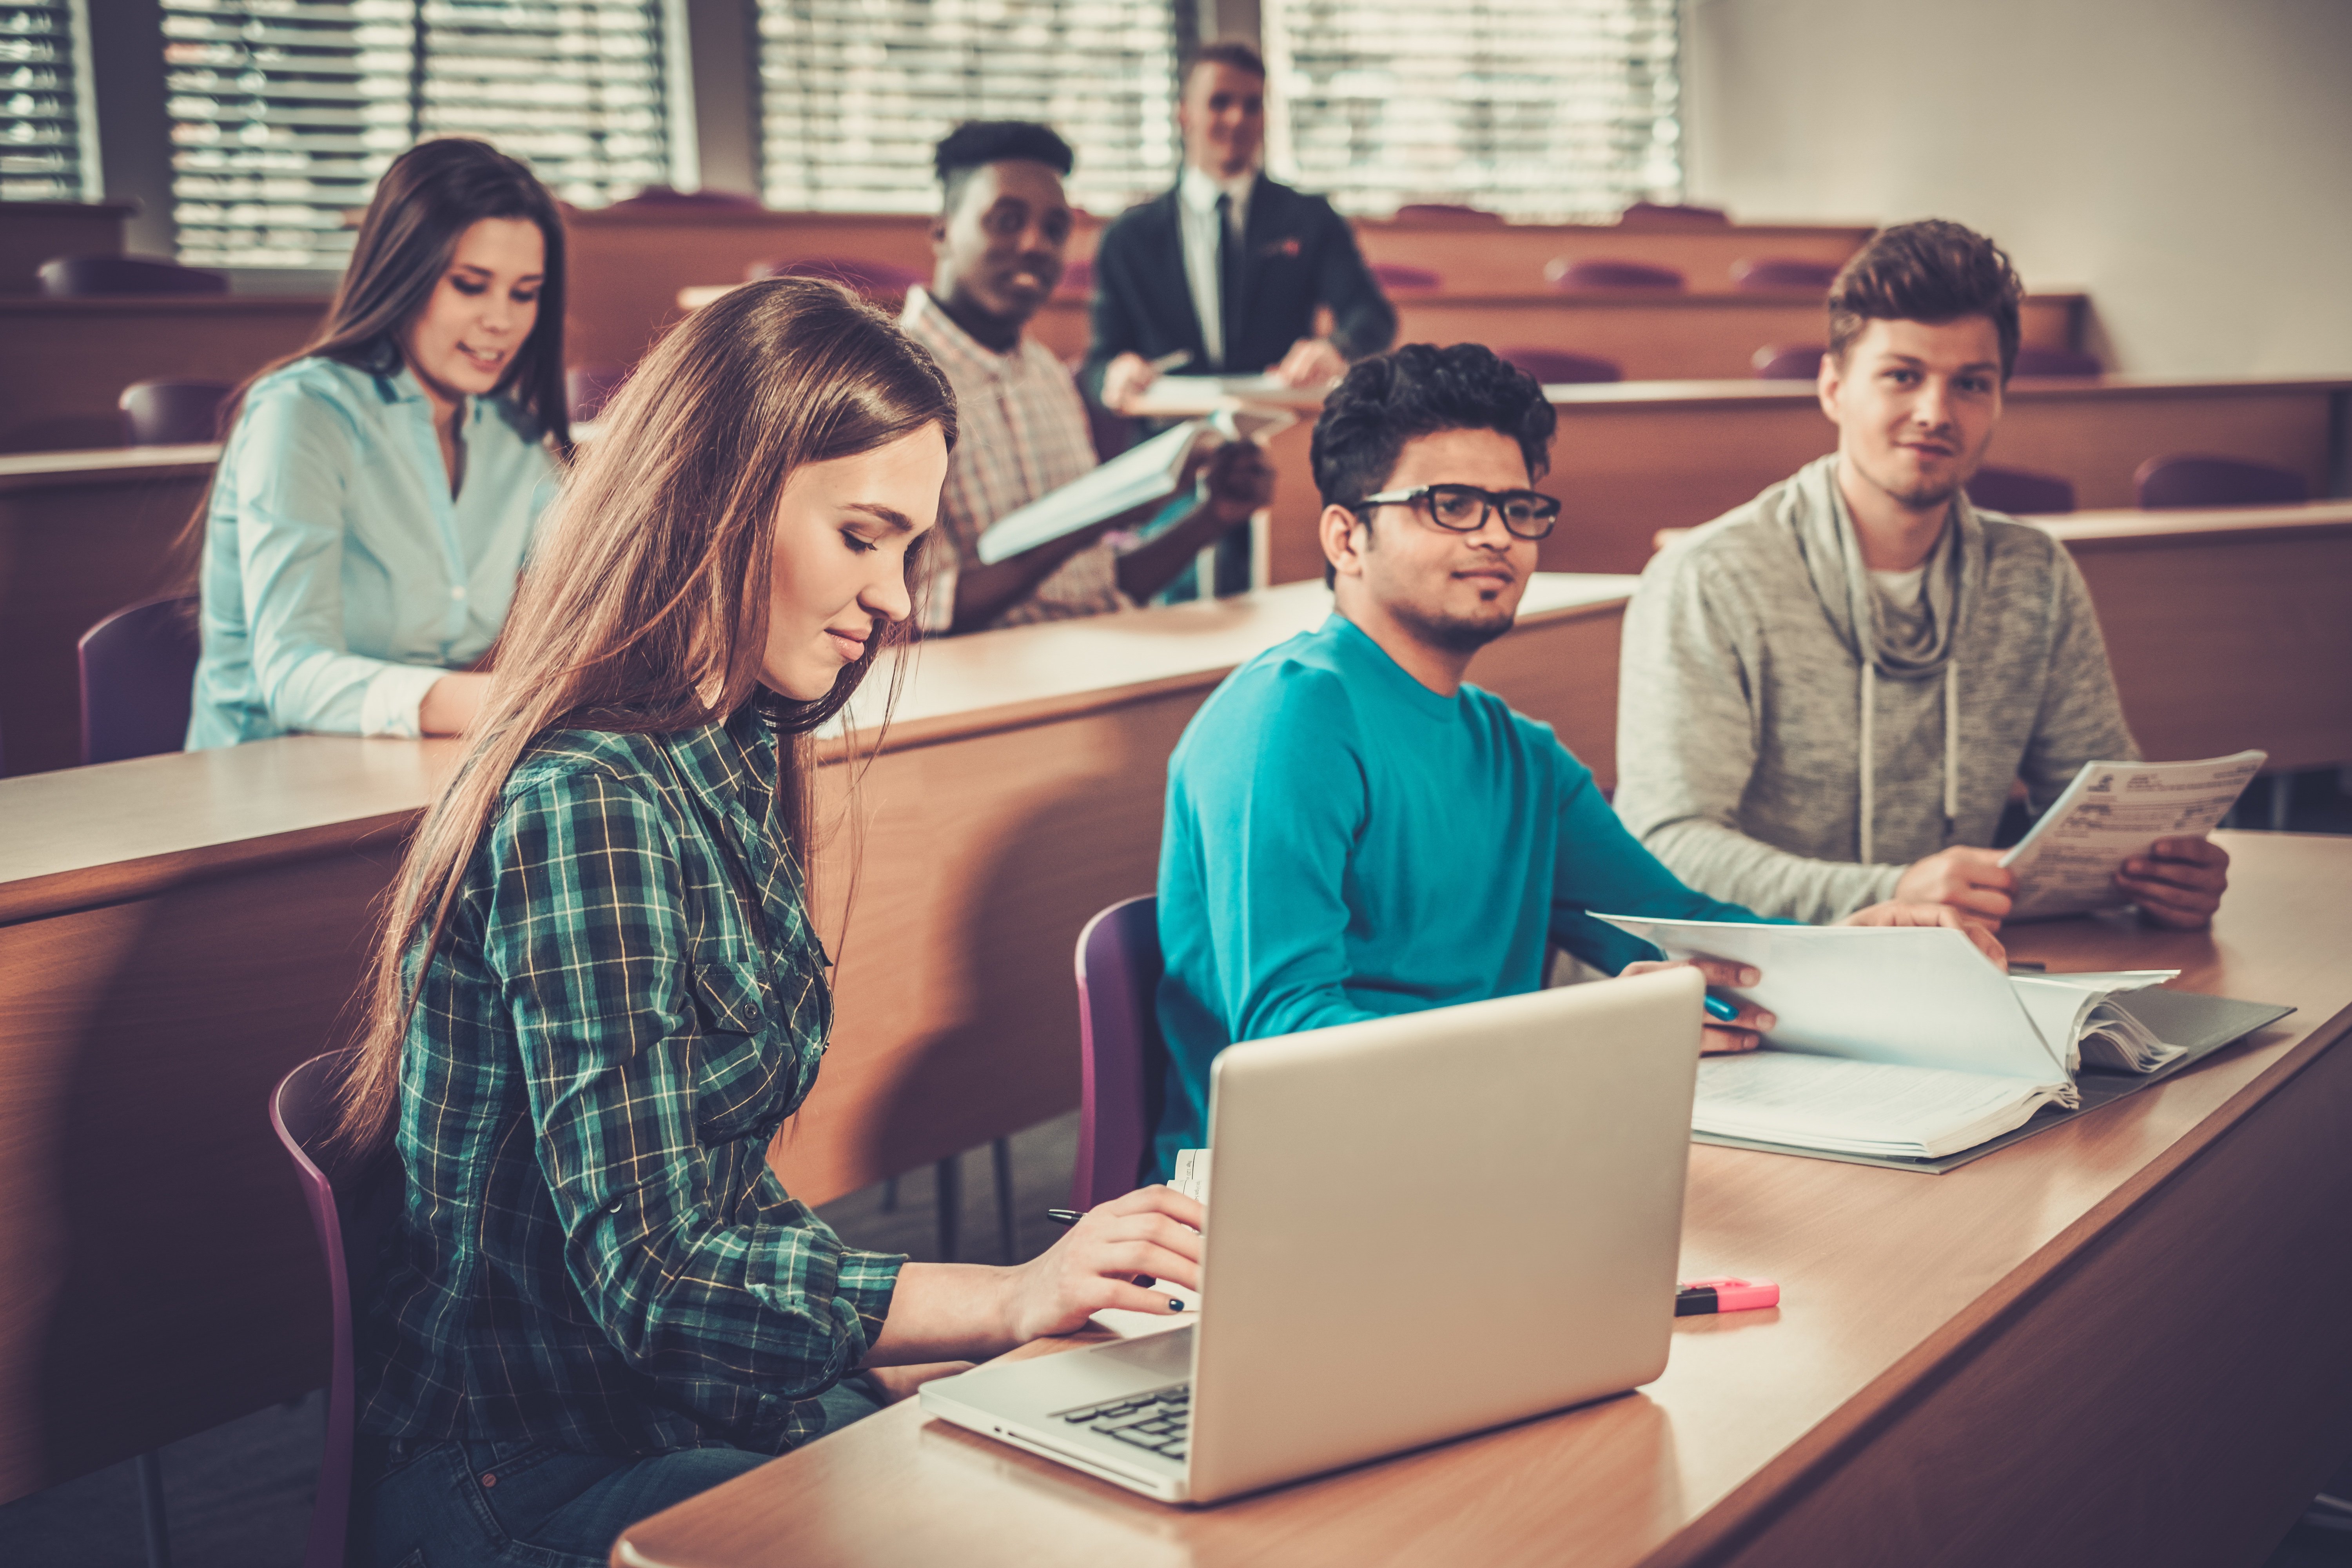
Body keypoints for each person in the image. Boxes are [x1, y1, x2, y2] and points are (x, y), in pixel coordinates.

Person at [336, 279, 1206, 1568]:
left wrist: (887, 1373)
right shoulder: (587, 805)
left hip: (673, 1414)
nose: (897, 596)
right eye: (864, 536)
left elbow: (719, 1196)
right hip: (525, 1472)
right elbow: (660, 1275)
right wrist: (997, 1303)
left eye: (909, 546)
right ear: (723, 495)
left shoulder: (732, 748)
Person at [1149, 342, 2001, 1173]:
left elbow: (1687, 931)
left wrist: (1858, 946)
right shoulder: (1288, 716)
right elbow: (1285, 1037)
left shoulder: (1522, 755)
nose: (1497, 537)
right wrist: (1591, 1027)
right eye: (1451, 504)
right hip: (1296, 1188)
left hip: (1492, 1153)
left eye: (1518, 508)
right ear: (1346, 537)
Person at [1612, 220, 2230, 929]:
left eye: (1971, 384)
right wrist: (1890, 891)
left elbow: (2096, 821)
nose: (1936, 413)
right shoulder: (1709, 578)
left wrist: (2154, 874)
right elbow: (1665, 848)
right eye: (1903, 376)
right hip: (1754, 982)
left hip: (1950, 973)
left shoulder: (2033, 576)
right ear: (1834, 388)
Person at [187, 138, 570, 748]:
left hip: (410, 774)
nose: (503, 320)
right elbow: (293, 676)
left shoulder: (513, 438)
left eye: (525, 293)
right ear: (404, 277)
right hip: (258, 785)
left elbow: (597, 586)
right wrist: (520, 698)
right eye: (471, 285)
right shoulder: (302, 414)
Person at [900, 120, 1273, 633]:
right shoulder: (892, 381)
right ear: (941, 232)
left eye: (1055, 229)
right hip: (989, 681)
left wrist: (1212, 519)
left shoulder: (1048, 375)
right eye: (1006, 221)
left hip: (1096, 654)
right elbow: (915, 613)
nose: (1036, 245)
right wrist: (1090, 517)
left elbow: (1099, 588)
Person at [1085, 40, 1396, 414]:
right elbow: (1099, 363)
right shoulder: (1127, 237)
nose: (1237, 118)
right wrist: (1115, 374)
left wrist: (1335, 348)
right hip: (1167, 431)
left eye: (1252, 105)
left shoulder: (1309, 219)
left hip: (1282, 427)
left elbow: (1372, 314)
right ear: (1185, 114)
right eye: (1220, 102)